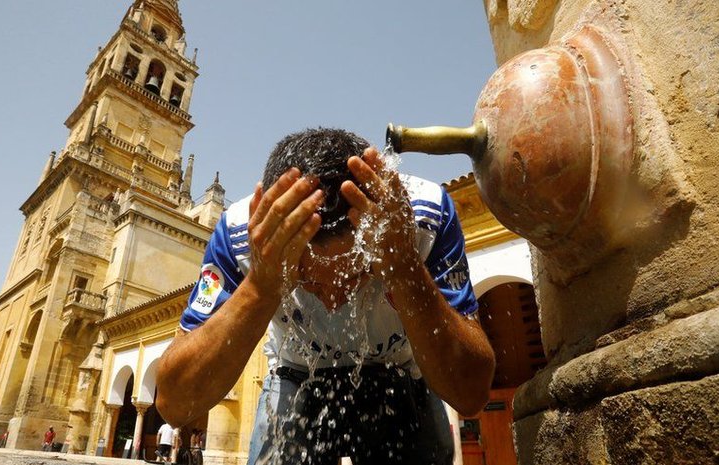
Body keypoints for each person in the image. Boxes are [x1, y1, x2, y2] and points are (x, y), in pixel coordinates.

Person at [156, 128, 495, 464]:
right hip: (295, 372)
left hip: (400, 370)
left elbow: (470, 395)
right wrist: (259, 287)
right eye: (307, 282)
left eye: (356, 277)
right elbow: (175, 404)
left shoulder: (420, 220)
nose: (335, 301)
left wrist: (406, 271)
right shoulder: (244, 237)